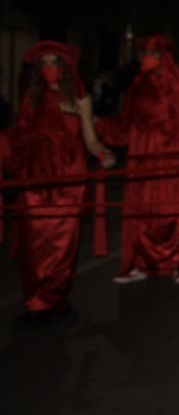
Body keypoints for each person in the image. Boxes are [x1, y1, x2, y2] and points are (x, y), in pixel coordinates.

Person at [9, 41, 115, 325]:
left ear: (66, 68)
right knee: (35, 246)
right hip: (36, 180)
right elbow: (20, 135)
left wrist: (102, 153)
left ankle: (56, 300)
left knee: (63, 247)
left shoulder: (79, 99)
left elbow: (90, 139)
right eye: (43, 63)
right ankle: (37, 302)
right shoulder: (32, 97)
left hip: (69, 179)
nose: (49, 68)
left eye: (54, 62)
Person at [96, 35, 179, 284]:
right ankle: (142, 263)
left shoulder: (178, 86)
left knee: (170, 208)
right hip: (142, 156)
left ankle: (176, 262)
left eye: (152, 54)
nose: (146, 59)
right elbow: (126, 123)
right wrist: (100, 125)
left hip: (170, 156)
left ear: (163, 58)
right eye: (144, 53)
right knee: (142, 211)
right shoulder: (137, 84)